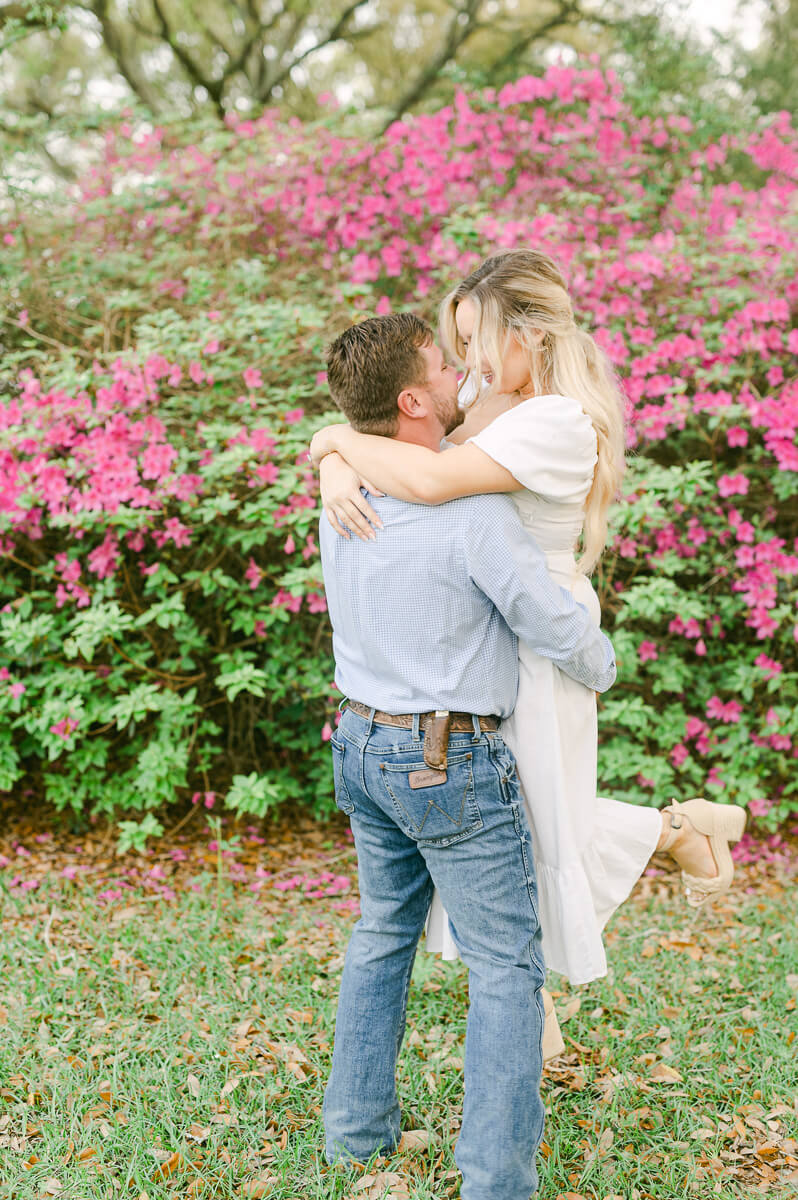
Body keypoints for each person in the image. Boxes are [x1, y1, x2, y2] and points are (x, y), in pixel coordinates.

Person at [311, 249, 746, 995]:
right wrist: (334, 458)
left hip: (541, 627)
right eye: (459, 342)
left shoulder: (556, 420)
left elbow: (432, 479)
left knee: (535, 821)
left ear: (531, 336)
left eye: (476, 338)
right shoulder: (486, 390)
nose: (465, 360)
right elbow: (405, 436)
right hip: (480, 623)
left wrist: (335, 444)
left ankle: (666, 843)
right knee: (495, 820)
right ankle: (665, 841)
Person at [318, 311, 617, 1200]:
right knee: (506, 968)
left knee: (380, 935)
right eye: (446, 368)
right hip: (446, 760)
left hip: (361, 743)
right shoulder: (474, 509)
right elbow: (543, 617)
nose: (463, 377)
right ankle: (496, 1180)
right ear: (413, 401)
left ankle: (355, 1134)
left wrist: (332, 447)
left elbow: (365, 450)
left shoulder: (343, 491)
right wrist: (601, 661)